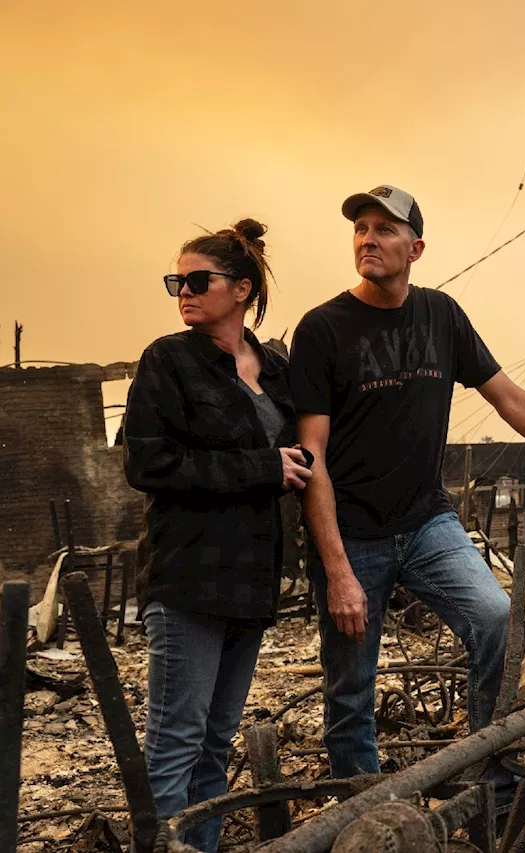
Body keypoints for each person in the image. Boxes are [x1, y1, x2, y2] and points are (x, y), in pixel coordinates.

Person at [290, 185, 525, 812]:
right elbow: (313, 457)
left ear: (415, 248)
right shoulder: (323, 329)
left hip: (426, 519)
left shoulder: (441, 315)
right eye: (360, 227)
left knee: (494, 618)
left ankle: (488, 787)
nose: (368, 239)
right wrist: (336, 569)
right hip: (351, 532)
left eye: (384, 229)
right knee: (351, 683)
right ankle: (368, 814)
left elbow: (509, 398)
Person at [123, 220, 312, 852]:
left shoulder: (278, 370)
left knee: (216, 740)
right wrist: (261, 467)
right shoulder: (167, 360)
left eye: (198, 280)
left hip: (252, 582)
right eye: (176, 281)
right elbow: (147, 464)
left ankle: (199, 847)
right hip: (188, 577)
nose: (184, 291)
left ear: (242, 288)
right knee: (175, 741)